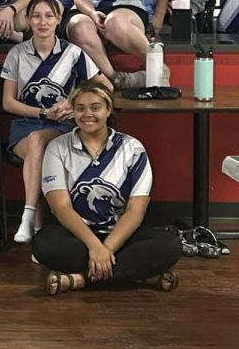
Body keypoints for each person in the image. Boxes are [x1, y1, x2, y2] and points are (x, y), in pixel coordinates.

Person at [33, 82, 181, 295]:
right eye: (80, 108)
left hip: (122, 236)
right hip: (77, 236)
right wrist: (94, 246)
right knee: (44, 245)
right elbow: (61, 208)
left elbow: (135, 211)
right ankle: (138, 276)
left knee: (170, 245)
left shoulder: (132, 148)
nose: (87, 114)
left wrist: (107, 249)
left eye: (95, 107)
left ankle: (79, 279)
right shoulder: (58, 147)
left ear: (108, 109)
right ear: (73, 112)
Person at [0, 0, 106, 245]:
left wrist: (73, 103)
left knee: (39, 142)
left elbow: (105, 85)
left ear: (58, 20)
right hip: (25, 126)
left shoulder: (73, 53)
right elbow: (8, 102)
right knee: (35, 143)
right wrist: (41, 113)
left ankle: (31, 220)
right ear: (27, 21)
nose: (42, 21)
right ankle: (36, 229)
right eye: (36, 16)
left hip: (62, 128)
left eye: (49, 16)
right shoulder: (16, 53)